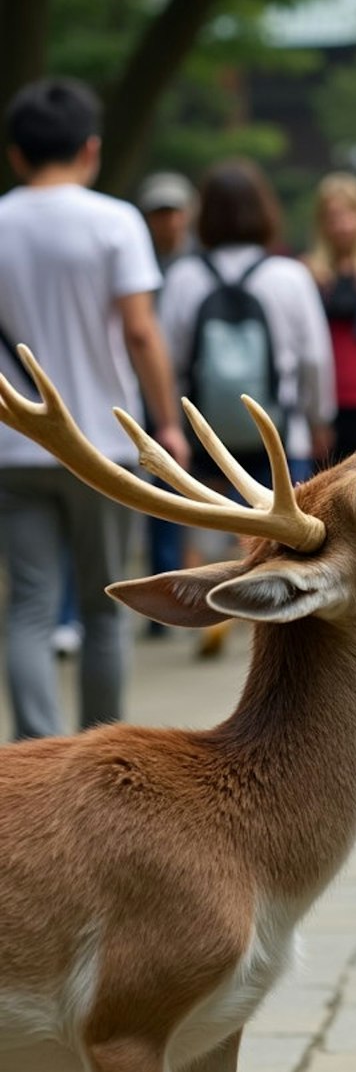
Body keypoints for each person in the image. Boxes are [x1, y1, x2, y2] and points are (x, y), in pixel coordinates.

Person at [0, 76, 186, 739]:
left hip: (16, 445)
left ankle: (32, 753)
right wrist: (166, 424)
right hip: (105, 447)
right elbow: (140, 330)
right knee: (105, 606)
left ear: (17, 153)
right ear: (91, 148)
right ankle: (96, 753)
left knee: (27, 606)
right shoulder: (115, 222)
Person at [159, 158, 333, 654]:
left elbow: (169, 361)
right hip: (281, 434)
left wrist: (173, 424)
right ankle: (282, 628)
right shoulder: (288, 275)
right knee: (287, 533)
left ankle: (213, 604)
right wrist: (319, 418)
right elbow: (315, 359)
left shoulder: (185, 277)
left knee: (213, 522)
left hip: (206, 434)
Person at [136, 170, 198, 602]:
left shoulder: (195, 265)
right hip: (143, 391)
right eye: (159, 213)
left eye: (173, 211)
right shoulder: (138, 259)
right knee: (158, 492)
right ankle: (166, 577)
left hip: (191, 393)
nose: (168, 221)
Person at [303, 171, 356, 463]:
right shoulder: (308, 272)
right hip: (325, 402)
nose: (342, 225)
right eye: (333, 217)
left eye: (350, 214)